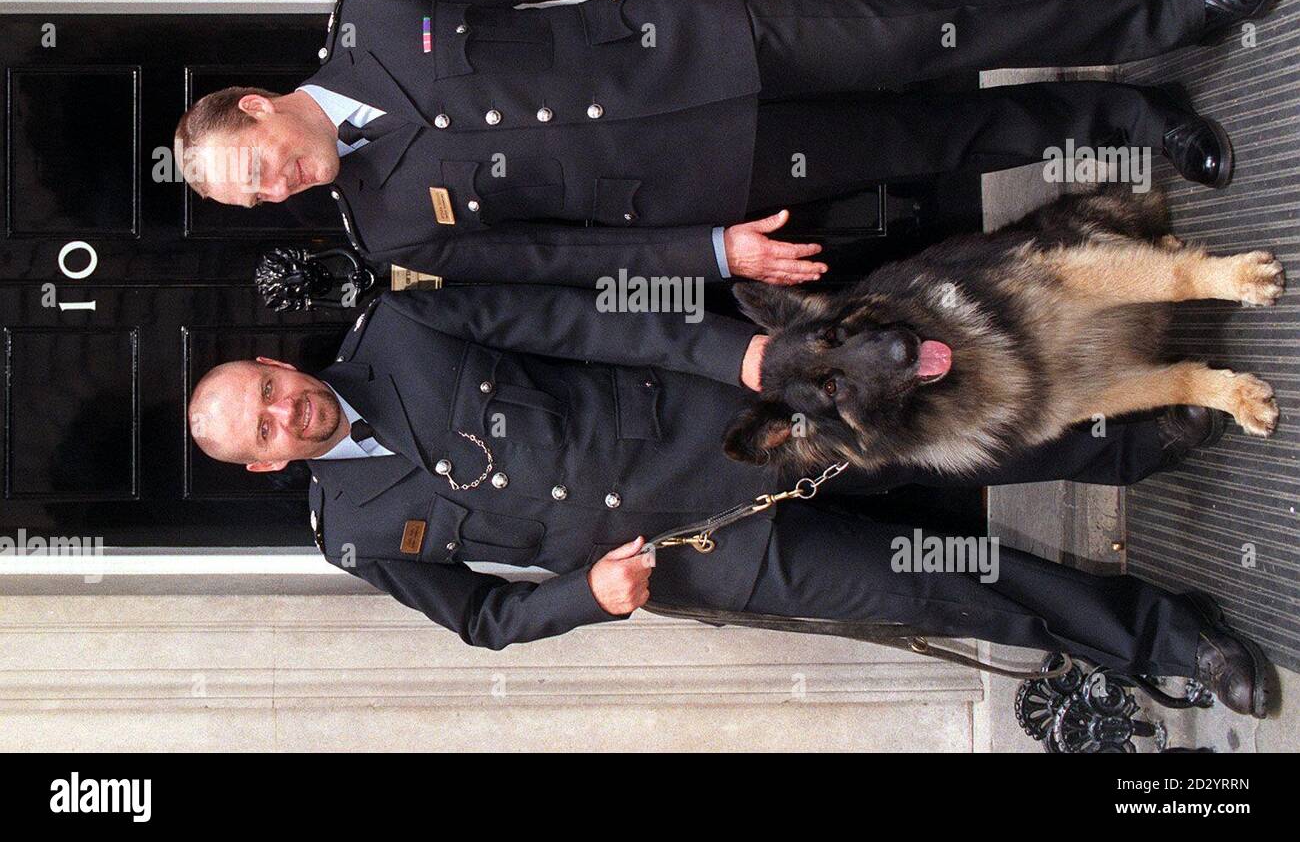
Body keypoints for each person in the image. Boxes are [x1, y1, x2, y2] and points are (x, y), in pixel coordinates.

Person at [189, 287, 1269, 717]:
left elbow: (587, 328)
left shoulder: (402, 332)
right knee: (958, 589)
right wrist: (588, 599)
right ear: (263, 467)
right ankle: (1174, 642)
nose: (287, 410)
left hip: (725, 431)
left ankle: (1132, 442)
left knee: (952, 439)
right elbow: (479, 619)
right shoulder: (355, 535)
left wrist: (741, 360)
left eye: (271, 388)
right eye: (265, 427)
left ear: (273, 363)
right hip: (702, 554)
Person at [173, 0, 1285, 287]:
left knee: (939, 32)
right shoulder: (390, 229)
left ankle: (1171, 8)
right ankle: (1139, 124)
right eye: (252, 201)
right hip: (714, 172)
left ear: (261, 108)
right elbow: (563, 267)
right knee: (934, 139)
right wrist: (710, 251)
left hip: (706, 39)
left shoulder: (375, 11)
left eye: (255, 166)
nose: (274, 190)